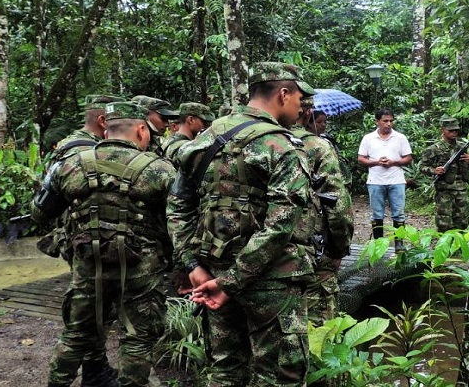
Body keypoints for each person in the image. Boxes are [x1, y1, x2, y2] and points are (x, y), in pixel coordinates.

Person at [168, 62, 317, 386]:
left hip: (211, 274)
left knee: (225, 371)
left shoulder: (202, 141)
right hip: (271, 283)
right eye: (298, 99)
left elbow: (178, 208)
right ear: (283, 93)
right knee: (280, 376)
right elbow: (280, 225)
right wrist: (233, 281)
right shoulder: (283, 146)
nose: (300, 107)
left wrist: (194, 266)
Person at [33, 103, 175, 387]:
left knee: (75, 334)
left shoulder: (70, 164)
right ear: (141, 129)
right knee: (136, 338)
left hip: (88, 263)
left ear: (107, 128)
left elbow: (40, 212)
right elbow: (177, 222)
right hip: (141, 268)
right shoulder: (160, 170)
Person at [35, 94, 122, 384]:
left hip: (82, 238)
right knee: (85, 312)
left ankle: (96, 368)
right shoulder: (80, 151)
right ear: (102, 120)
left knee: (98, 308)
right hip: (85, 241)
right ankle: (73, 375)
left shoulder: (65, 147)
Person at [294, 96, 354, 323]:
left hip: (266, 254)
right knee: (321, 322)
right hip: (314, 246)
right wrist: (338, 250)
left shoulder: (257, 141)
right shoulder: (318, 147)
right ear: (308, 113)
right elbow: (337, 205)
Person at [357, 108, 412, 253]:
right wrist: (376, 162)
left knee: (399, 213)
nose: (388, 124)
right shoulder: (368, 138)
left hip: (396, 180)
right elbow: (361, 158)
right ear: (377, 121)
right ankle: (378, 244)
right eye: (385, 121)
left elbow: (408, 158)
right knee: (377, 214)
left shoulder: (400, 138)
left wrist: (393, 162)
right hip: (375, 181)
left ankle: (399, 244)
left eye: (391, 121)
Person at [419, 118, 469, 232]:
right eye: (451, 131)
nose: (454, 133)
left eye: (456, 130)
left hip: (461, 189)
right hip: (444, 190)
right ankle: (444, 248)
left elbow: (466, 168)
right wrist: (434, 170)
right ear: (443, 130)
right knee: (444, 222)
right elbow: (421, 167)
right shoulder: (434, 149)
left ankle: (459, 248)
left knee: (462, 221)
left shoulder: (461, 147)